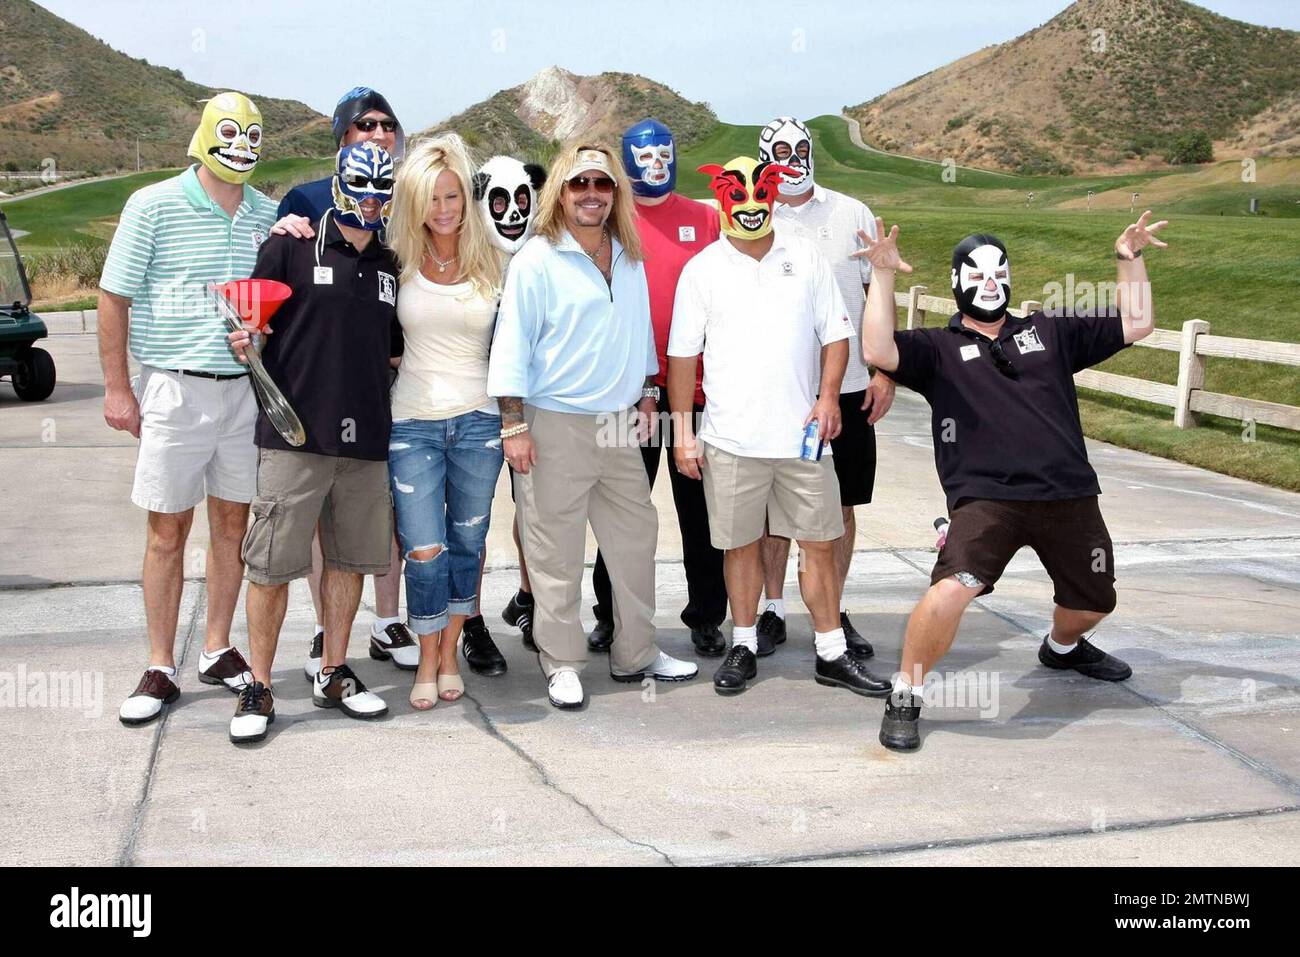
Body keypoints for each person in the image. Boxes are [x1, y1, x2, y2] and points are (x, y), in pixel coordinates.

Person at [857, 211, 1168, 751]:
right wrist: (883, 274)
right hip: (987, 500)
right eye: (976, 275)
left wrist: (1128, 258)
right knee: (953, 589)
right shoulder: (938, 349)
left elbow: (1136, 322)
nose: (989, 284)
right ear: (957, 283)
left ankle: (1062, 648)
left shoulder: (1050, 330)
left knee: (1095, 603)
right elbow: (878, 351)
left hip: (1068, 493)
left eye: (998, 272)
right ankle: (906, 692)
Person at [667, 155, 892, 699]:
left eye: (759, 196)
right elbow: (681, 357)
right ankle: (743, 643)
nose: (749, 206)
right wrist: (681, 431)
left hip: (803, 440)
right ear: (722, 201)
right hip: (731, 440)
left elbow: (836, 335)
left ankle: (830, 651)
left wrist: (829, 397)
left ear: (771, 198)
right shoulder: (702, 269)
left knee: (819, 542)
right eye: (737, 197)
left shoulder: (807, 258)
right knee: (740, 546)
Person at [487, 143, 698, 710]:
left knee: (635, 543)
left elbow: (635, 333)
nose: (590, 194)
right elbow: (511, 347)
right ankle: (561, 661)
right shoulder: (536, 259)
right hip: (554, 421)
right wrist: (513, 425)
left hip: (619, 427)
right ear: (561, 190)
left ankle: (637, 654)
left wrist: (651, 389)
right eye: (579, 183)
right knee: (554, 550)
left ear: (615, 194)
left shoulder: (628, 256)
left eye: (601, 185)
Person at [101, 92, 276, 726]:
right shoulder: (152, 205)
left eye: (252, 134)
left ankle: (217, 647)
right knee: (167, 530)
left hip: (243, 390)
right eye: (230, 132)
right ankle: (158, 663)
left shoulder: (268, 213)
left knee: (233, 526)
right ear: (205, 135)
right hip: (173, 388)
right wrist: (119, 391)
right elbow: (113, 299)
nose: (241, 144)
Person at [227, 142, 404, 744]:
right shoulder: (290, 243)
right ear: (338, 184)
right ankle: (259, 684)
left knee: (351, 563)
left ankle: (333, 670)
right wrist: (244, 338)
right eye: (361, 186)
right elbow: (247, 322)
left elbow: (395, 348)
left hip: (365, 442)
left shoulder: (389, 265)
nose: (371, 200)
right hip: (294, 435)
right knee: (272, 566)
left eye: (382, 191)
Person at [272, 87, 415, 678]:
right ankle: (325, 631)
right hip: (316, 385)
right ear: (341, 136)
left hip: (385, 373)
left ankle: (387, 621)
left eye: (388, 124)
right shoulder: (306, 199)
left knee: (379, 512)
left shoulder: (403, 199)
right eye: (365, 124)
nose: (379, 133)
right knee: (315, 517)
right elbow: (281, 279)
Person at [585, 118, 727, 658]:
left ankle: (707, 616)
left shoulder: (706, 218)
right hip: (630, 392)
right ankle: (610, 613)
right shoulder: (611, 221)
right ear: (626, 160)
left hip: (696, 393)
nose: (655, 164)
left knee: (701, 513)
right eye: (642, 156)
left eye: (662, 153)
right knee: (623, 507)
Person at [760, 115, 893, 659]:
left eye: (801, 146)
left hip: (850, 390)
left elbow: (876, 291)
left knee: (840, 506)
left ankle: (831, 610)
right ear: (765, 154)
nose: (793, 156)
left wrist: (885, 369)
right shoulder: (752, 214)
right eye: (781, 149)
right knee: (774, 510)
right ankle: (771, 609)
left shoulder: (851, 213)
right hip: (781, 388)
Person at [385, 133, 507, 708]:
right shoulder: (397, 259)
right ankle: (426, 650)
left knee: (468, 542)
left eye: (453, 197)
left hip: (480, 424)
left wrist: (517, 422)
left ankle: (445, 651)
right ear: (414, 201)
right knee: (423, 548)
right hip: (411, 424)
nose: (443, 209)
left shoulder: (493, 261)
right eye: (432, 198)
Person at [473, 155, 548, 658]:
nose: (512, 211)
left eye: (522, 199)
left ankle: (531, 599)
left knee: (536, 512)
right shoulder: (462, 251)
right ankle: (469, 618)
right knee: (470, 518)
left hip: (531, 404)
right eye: (500, 201)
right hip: (472, 404)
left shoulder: (544, 253)